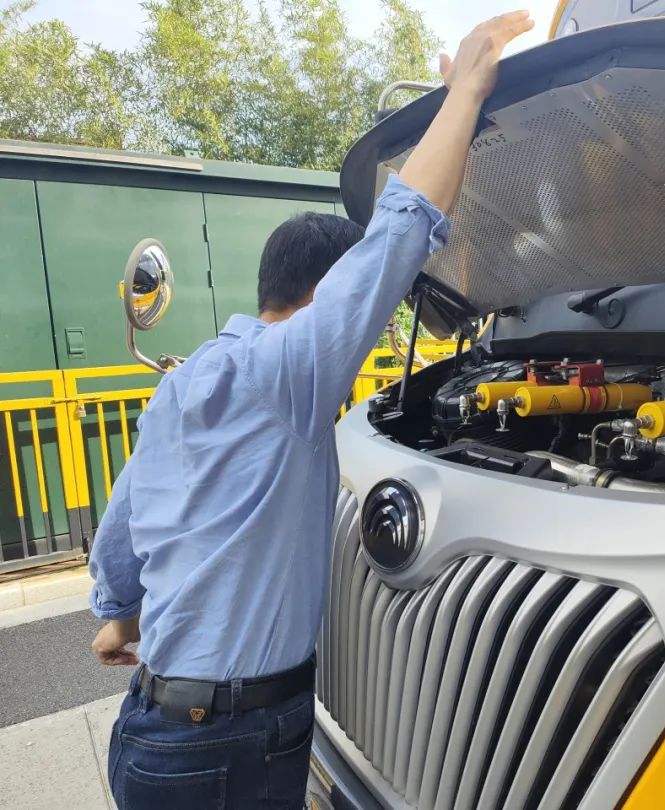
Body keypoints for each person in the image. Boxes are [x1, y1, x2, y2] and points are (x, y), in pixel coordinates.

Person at [86, 11, 535, 809]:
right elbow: (398, 237)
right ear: (325, 299)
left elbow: (124, 525)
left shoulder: (184, 383)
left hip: (151, 735)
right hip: (227, 753)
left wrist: (119, 617)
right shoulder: (289, 374)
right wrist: (463, 95)